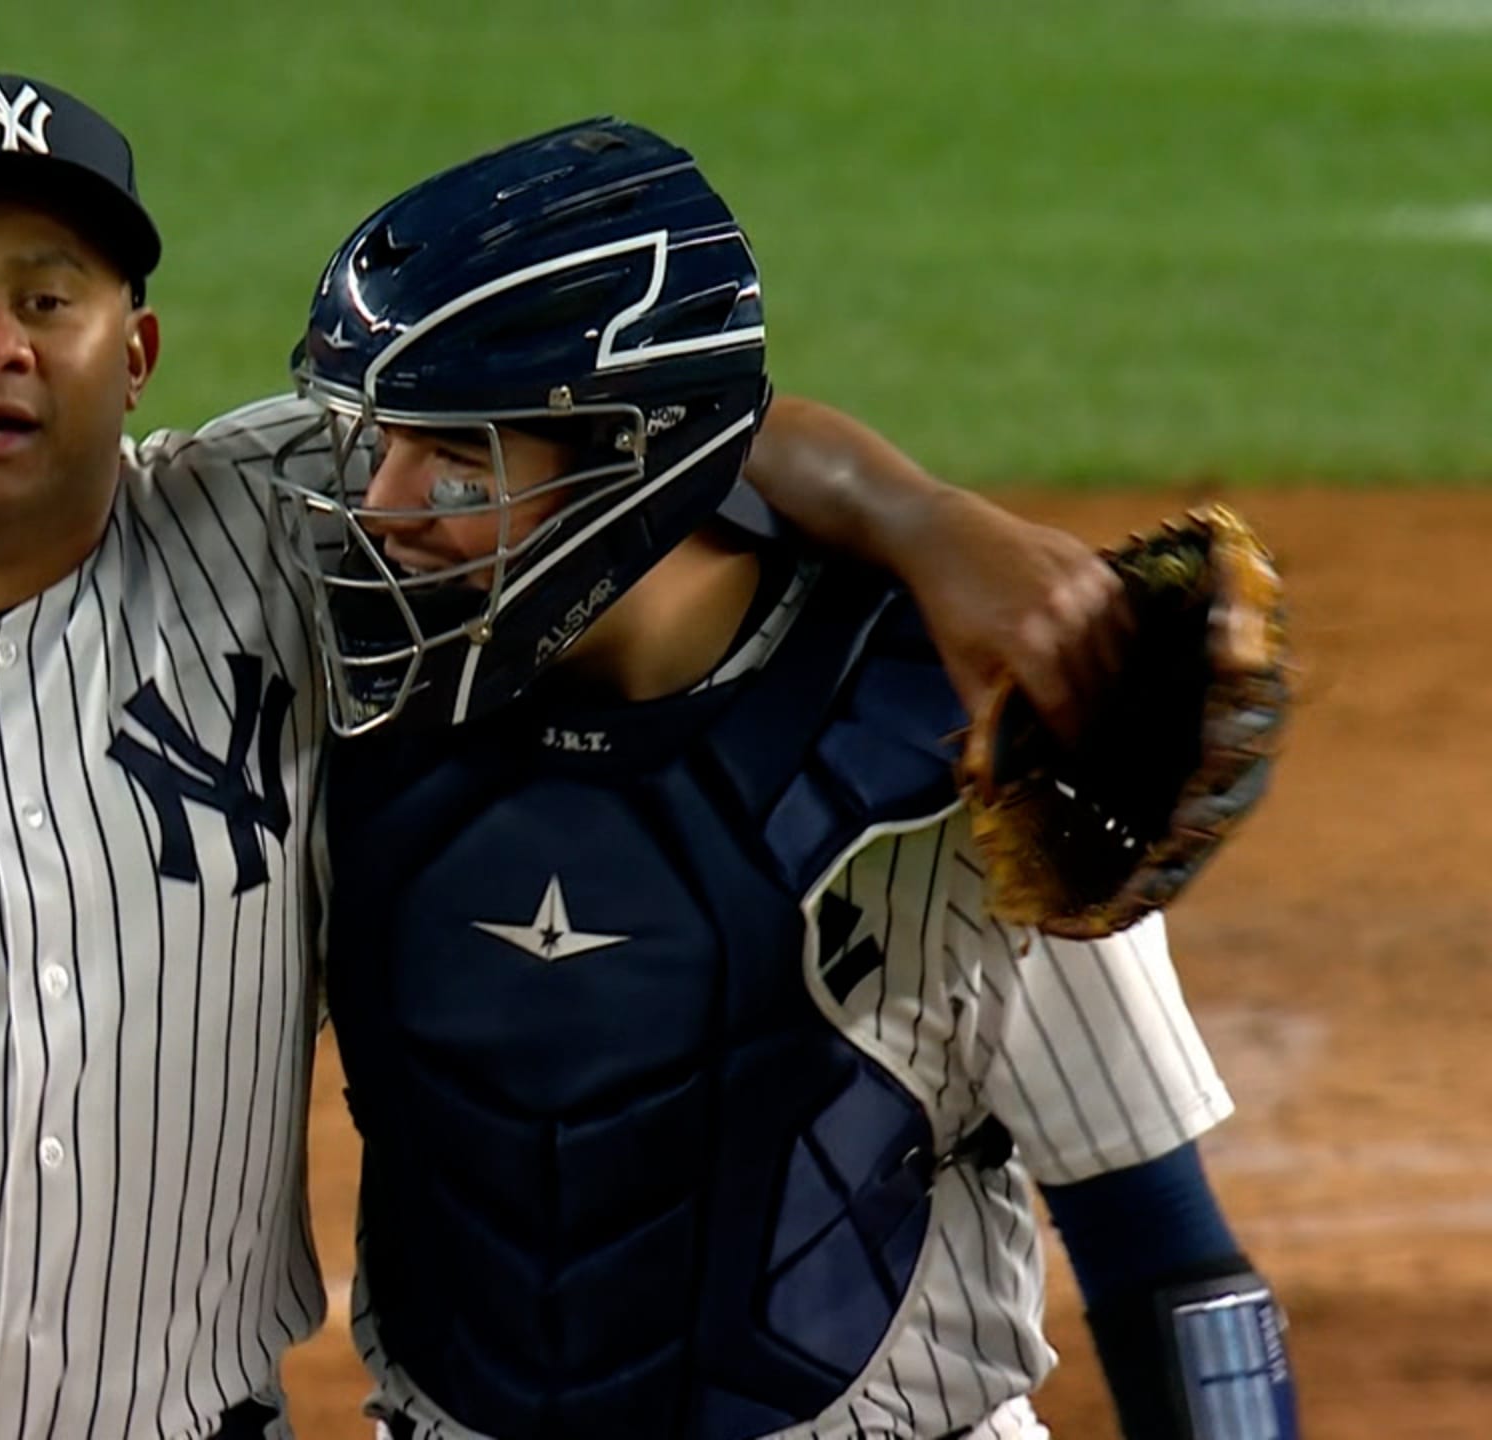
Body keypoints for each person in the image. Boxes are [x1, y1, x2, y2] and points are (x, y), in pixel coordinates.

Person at [0, 76, 1137, 1440]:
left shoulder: (282, 536)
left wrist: (922, 518)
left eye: (51, 295)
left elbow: (631, 423)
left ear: (136, 352)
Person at [277, 121, 1293, 1438]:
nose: (390, 510)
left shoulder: (951, 729)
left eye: (458, 461)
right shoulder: (342, 708)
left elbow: (1165, 1254)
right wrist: (905, 502)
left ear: (631, 467)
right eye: (383, 444)